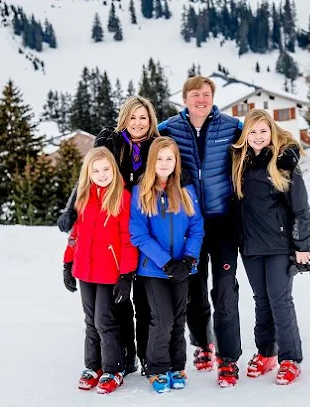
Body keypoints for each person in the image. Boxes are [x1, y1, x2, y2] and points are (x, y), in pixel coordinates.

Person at [58, 96, 159, 375]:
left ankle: (150, 357)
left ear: (151, 120)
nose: (138, 123)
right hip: (114, 222)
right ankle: (124, 359)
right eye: (133, 117)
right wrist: (71, 210)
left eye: (143, 117)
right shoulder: (109, 141)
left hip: (146, 226)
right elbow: (88, 175)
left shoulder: (156, 145)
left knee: (145, 302)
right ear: (123, 118)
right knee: (119, 305)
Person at [158, 76, 243, 387]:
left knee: (224, 290)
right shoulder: (168, 129)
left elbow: (269, 138)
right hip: (188, 224)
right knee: (194, 290)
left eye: (206, 95)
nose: (201, 100)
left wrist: (288, 153)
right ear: (185, 99)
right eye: (195, 95)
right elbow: (142, 153)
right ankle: (203, 344)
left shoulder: (232, 125)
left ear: (212, 97)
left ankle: (228, 359)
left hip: (222, 223)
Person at [231, 109, 310, 386]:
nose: (258, 137)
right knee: (261, 301)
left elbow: (301, 209)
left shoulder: (284, 162)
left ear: (272, 132)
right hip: (251, 246)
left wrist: (302, 246)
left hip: (279, 245)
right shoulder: (239, 162)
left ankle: (290, 358)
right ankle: (266, 353)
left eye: (263, 131)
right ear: (245, 135)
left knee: (280, 300)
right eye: (252, 132)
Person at [129, 137, 204, 394]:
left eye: (169, 158)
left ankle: (176, 366)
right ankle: (157, 368)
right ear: (152, 161)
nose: (164, 163)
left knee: (179, 318)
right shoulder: (141, 191)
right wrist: (166, 262)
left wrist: (188, 259)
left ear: (176, 161)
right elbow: (138, 234)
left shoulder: (185, 190)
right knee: (162, 320)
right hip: (153, 269)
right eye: (159, 158)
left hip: (183, 267)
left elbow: (197, 228)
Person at [60, 147, 138, 394]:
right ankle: (93, 366)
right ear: (88, 173)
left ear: (113, 170)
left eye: (106, 169)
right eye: (96, 170)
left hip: (109, 272)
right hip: (84, 269)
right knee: (90, 320)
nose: (102, 174)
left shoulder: (123, 197)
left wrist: (126, 275)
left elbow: (128, 239)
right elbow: (75, 235)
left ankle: (114, 368)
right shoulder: (84, 197)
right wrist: (68, 263)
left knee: (105, 320)